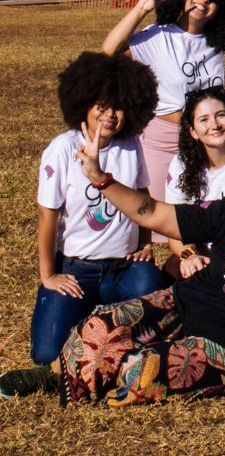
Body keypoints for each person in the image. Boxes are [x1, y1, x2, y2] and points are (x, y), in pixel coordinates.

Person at [5, 144, 225, 403]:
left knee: (142, 373)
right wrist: (101, 180)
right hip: (181, 305)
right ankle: (53, 375)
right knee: (97, 327)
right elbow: (154, 213)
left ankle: (94, 374)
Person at [23, 52, 165, 370]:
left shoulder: (131, 144)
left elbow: (142, 198)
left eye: (119, 107)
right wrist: (48, 276)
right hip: (76, 270)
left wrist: (145, 243)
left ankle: (102, 318)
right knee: (46, 355)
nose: (111, 115)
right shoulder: (62, 149)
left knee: (155, 325)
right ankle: (92, 313)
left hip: (124, 268)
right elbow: (47, 215)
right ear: (84, 103)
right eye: (102, 105)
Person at [102, 0, 225, 208]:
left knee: (201, 215)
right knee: (158, 214)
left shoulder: (215, 45)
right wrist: (142, 9)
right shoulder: (157, 36)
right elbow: (110, 52)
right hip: (163, 141)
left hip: (207, 140)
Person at [164, 88, 225, 279]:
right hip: (203, 250)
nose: (215, 125)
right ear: (193, 131)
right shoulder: (181, 164)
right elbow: (175, 228)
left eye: (220, 115)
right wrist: (190, 256)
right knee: (174, 269)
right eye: (204, 119)